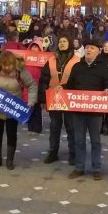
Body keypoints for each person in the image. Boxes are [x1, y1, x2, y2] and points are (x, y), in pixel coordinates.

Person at [0, 51, 38, 170]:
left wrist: (31, 101)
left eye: (10, 65)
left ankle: (10, 160)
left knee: (11, 134)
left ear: (14, 63)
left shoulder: (20, 71)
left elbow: (32, 85)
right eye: (5, 65)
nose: (7, 67)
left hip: (13, 109)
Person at [64, 39, 108, 180]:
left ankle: (96, 168)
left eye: (92, 48)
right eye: (87, 47)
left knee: (95, 140)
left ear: (98, 51)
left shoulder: (103, 68)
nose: (88, 50)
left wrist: (107, 89)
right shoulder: (77, 67)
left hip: (95, 111)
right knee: (79, 140)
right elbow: (69, 86)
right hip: (78, 110)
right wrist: (60, 89)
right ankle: (79, 167)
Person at [39, 36, 80, 164]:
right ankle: (53, 152)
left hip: (69, 97)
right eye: (60, 42)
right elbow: (44, 80)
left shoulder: (77, 60)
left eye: (65, 41)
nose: (62, 44)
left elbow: (80, 80)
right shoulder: (51, 59)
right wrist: (42, 99)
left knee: (71, 127)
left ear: (70, 44)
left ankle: (73, 153)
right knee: (55, 126)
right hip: (53, 97)